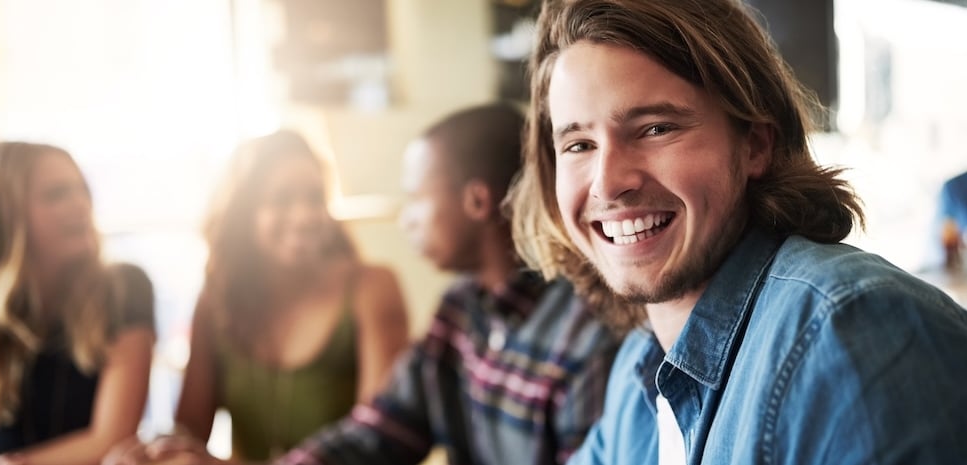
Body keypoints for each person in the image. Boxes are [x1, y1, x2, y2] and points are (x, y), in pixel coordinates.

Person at [507, 0, 967, 464]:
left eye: (655, 128)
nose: (608, 182)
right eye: (579, 144)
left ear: (754, 145)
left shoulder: (851, 330)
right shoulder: (639, 367)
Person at [121, 104, 620, 465]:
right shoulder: (461, 312)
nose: (405, 221)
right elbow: (379, 432)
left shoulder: (584, 332)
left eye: (416, 200)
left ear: (475, 203)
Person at [110, 129, 410, 463]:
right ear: (242, 215)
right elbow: (191, 429)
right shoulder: (216, 300)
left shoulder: (371, 288)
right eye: (281, 200)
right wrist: (155, 451)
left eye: (315, 198)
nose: (305, 216)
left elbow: (379, 443)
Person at [0, 142, 155, 463]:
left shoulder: (125, 287)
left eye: (82, 189)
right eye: (57, 194)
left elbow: (112, 439)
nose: (81, 204)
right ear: (4, 211)